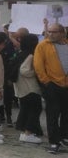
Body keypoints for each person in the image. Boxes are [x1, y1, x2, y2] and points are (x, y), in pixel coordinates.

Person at [33, 23, 68, 154]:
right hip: (52, 85)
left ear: (62, 33)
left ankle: (64, 136)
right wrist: (46, 82)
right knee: (52, 114)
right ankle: (54, 142)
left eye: (54, 32)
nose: (51, 34)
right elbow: (38, 65)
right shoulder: (42, 45)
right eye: (49, 31)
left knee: (66, 113)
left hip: (66, 85)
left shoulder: (66, 44)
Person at [11, 33, 42, 144]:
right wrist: (37, 72)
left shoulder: (21, 54)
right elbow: (24, 70)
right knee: (35, 109)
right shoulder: (31, 55)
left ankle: (25, 132)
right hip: (30, 88)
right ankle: (28, 133)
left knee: (25, 110)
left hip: (21, 87)